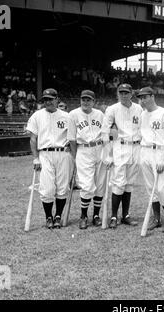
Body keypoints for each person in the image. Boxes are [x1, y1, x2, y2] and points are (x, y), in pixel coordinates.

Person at [26, 88, 74, 229]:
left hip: (63, 154)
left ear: (57, 99)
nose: (48, 102)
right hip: (45, 154)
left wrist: (72, 150)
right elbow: (33, 139)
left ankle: (58, 216)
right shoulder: (37, 116)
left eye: (51, 99)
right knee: (47, 188)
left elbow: (73, 137)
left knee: (62, 187)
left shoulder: (67, 116)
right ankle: (49, 217)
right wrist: (35, 158)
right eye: (45, 99)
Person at [101, 83, 142, 228]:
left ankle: (126, 215)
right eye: (121, 92)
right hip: (120, 146)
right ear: (118, 94)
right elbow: (105, 132)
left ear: (131, 93)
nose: (123, 95)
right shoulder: (112, 109)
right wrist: (108, 154)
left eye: (126, 92)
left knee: (129, 183)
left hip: (136, 146)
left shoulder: (139, 108)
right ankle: (113, 216)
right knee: (118, 182)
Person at [137, 87, 164, 233]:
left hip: (161, 151)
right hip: (145, 150)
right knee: (150, 187)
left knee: (162, 189)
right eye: (141, 98)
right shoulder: (142, 114)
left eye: (145, 97)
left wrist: (162, 158)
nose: (143, 100)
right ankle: (157, 219)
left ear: (153, 96)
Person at [68, 90, 108, 229]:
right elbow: (72, 139)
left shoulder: (100, 114)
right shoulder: (73, 114)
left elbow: (105, 134)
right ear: (80, 100)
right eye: (83, 99)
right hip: (83, 150)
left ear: (93, 101)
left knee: (100, 184)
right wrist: (74, 157)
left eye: (88, 100)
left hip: (99, 148)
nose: (85, 102)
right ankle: (83, 216)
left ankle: (96, 215)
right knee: (86, 185)